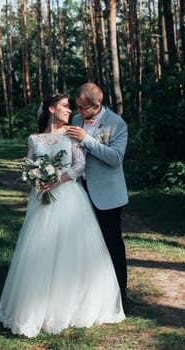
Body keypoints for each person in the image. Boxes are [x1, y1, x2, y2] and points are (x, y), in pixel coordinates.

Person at [0, 93, 125, 338]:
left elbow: (79, 166)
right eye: (65, 106)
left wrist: (55, 180)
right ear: (51, 108)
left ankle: (74, 304)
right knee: (40, 249)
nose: (70, 111)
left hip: (70, 197)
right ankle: (37, 307)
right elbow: (30, 164)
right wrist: (36, 179)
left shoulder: (72, 133)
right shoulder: (34, 139)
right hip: (41, 200)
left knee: (73, 251)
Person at [66, 82, 129, 302]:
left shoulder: (117, 124)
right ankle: (91, 297)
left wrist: (87, 140)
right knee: (85, 246)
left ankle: (120, 297)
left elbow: (115, 158)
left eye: (83, 108)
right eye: (77, 107)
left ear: (97, 105)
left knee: (112, 245)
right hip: (79, 193)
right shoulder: (75, 120)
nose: (78, 112)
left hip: (107, 196)